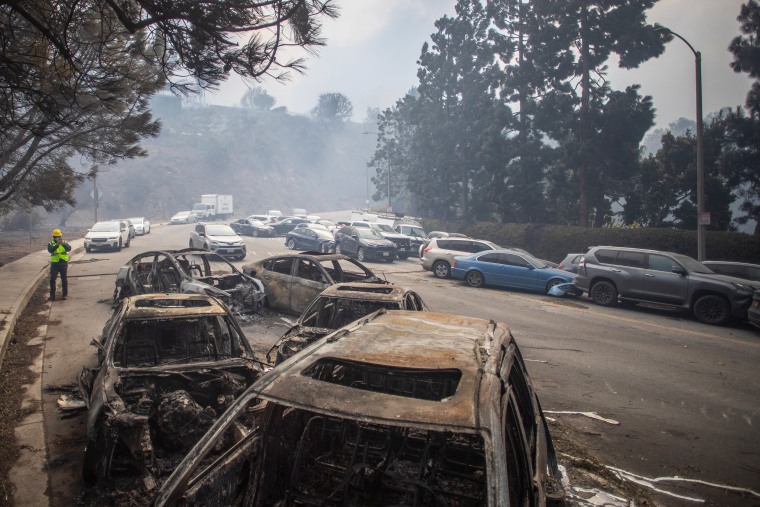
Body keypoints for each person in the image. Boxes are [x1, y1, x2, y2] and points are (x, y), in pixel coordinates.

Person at [48, 229, 72, 301]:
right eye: (56, 237)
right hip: (55, 263)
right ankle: (52, 296)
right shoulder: (51, 243)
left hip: (63, 263)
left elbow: (69, 248)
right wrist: (57, 245)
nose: (57, 238)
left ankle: (64, 295)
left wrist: (63, 244)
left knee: (64, 279)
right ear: (53, 237)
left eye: (59, 236)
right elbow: (50, 250)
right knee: (52, 279)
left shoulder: (64, 242)